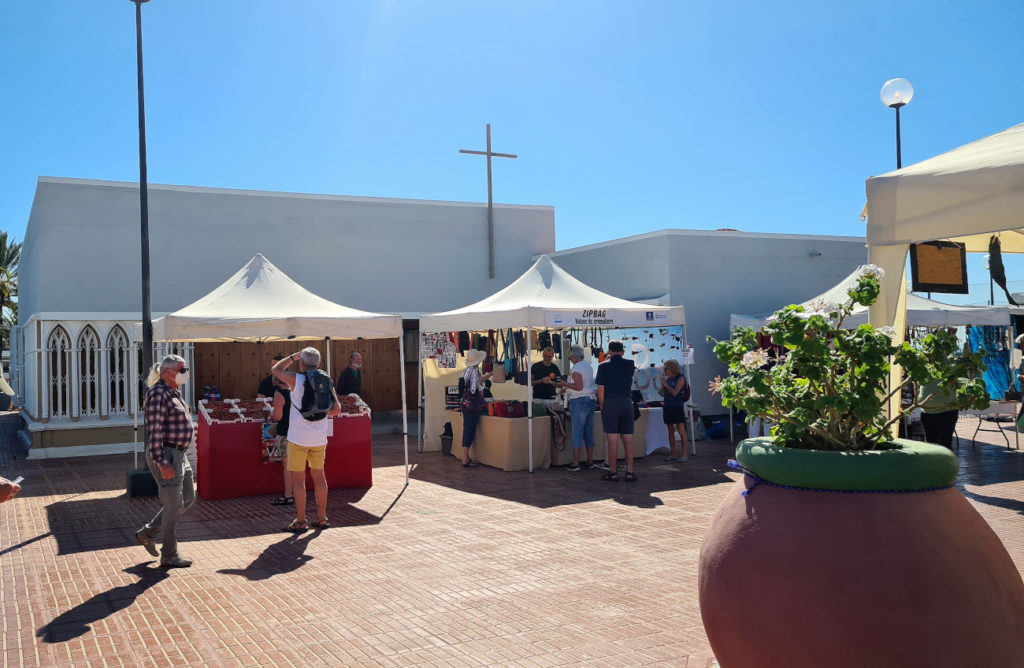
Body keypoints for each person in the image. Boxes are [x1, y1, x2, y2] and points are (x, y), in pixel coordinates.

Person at [135, 354, 196, 568]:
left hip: (179, 454)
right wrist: (162, 461)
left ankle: (148, 533)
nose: (185, 373)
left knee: (188, 498)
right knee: (173, 504)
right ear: (167, 372)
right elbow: (155, 430)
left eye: (185, 369)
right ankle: (169, 554)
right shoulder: (157, 393)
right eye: (182, 370)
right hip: (167, 454)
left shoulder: (173, 392)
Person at [273, 348, 341, 532]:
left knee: (298, 480)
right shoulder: (326, 380)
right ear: (318, 363)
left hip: (298, 439)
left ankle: (301, 520)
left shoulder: (297, 379)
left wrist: (294, 356)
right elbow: (336, 410)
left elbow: (276, 370)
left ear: (302, 363)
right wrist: (318, 411)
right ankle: (322, 517)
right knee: (319, 477)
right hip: (319, 438)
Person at [595, 340, 637, 481]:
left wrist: (602, 406)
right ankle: (630, 471)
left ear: (609, 351)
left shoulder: (603, 366)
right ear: (623, 351)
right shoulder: (630, 364)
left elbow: (600, 389)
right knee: (628, 437)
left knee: (612, 438)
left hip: (610, 402)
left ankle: (612, 472)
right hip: (626, 401)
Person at [552, 345, 596, 471]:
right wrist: (567, 388)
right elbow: (584, 385)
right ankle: (590, 461)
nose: (570, 359)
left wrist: (564, 384)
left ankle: (576, 463)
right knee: (588, 432)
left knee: (577, 432)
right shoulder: (588, 366)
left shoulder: (576, 368)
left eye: (570, 357)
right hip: (590, 400)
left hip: (579, 401)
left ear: (574, 356)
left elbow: (578, 387)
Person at [460, 349, 492, 467]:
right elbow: (474, 389)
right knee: (469, 430)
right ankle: (465, 458)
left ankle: (466, 457)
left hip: (466, 404)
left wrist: (486, 376)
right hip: (471, 405)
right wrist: (485, 381)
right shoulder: (473, 372)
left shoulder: (466, 371)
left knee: (468, 429)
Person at [269, 374, 294, 506]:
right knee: (297, 466)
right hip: (296, 432)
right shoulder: (293, 392)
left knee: (287, 466)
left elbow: (278, 416)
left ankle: (288, 495)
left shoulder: (279, 394)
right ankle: (298, 493)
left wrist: (270, 415)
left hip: (285, 432)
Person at [658, 359, 690, 462]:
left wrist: (666, 385)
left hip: (677, 407)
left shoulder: (680, 378)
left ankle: (684, 455)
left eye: (665, 368)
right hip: (668, 406)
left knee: (681, 430)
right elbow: (663, 393)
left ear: (671, 368)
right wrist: (663, 386)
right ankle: (673, 454)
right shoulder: (668, 379)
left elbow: (675, 393)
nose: (664, 371)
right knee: (670, 431)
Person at [917, 379, 958, 449]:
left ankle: (943, 459)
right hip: (928, 409)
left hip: (948, 409)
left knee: (944, 443)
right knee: (931, 443)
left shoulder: (954, 368)